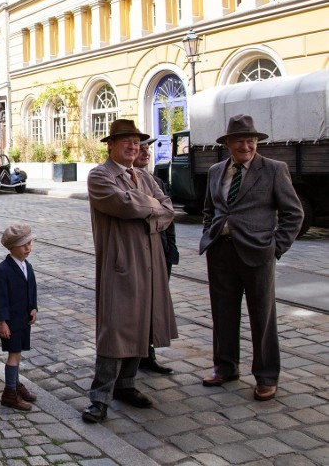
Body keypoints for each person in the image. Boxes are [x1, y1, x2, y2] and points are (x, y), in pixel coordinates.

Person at [199, 114, 303, 401]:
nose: (246, 146)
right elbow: (209, 210)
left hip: (258, 254)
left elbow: (294, 214)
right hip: (221, 252)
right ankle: (226, 367)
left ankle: (267, 377)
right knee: (223, 314)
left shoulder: (274, 169)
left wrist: (275, 247)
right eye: (240, 141)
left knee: (263, 317)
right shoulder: (216, 171)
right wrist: (210, 233)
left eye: (251, 141)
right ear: (228, 144)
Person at [82, 119, 178, 424]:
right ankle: (100, 397)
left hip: (151, 261)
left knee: (143, 323)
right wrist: (152, 208)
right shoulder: (100, 175)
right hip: (120, 261)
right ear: (110, 144)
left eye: (136, 142)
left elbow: (168, 211)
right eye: (126, 141)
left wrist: (147, 207)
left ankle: (127, 385)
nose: (133, 146)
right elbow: (123, 205)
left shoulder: (145, 178)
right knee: (115, 326)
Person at [134, 136, 179, 375]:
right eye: (140, 149)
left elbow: (170, 218)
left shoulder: (158, 180)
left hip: (161, 250)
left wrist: (171, 250)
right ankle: (137, 354)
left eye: (146, 149)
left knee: (155, 305)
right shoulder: (125, 182)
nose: (144, 153)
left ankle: (148, 353)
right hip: (141, 252)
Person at [0, 222, 38, 411]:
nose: (28, 248)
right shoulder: (2, 271)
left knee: (18, 354)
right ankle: (9, 392)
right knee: (14, 355)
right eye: (23, 245)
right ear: (12, 247)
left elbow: (32, 288)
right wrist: (2, 321)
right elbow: (0, 299)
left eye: (29, 243)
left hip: (23, 320)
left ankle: (16, 384)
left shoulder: (27, 266)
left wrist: (33, 307)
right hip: (11, 321)